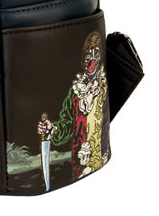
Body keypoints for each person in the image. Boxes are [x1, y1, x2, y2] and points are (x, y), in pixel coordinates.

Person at [37, 31, 110, 181]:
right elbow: (68, 124)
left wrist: (103, 153)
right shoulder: (76, 92)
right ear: (83, 60)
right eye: (88, 57)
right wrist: (52, 129)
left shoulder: (102, 87)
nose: (92, 63)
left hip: (101, 163)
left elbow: (104, 123)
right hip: (79, 167)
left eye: (96, 56)